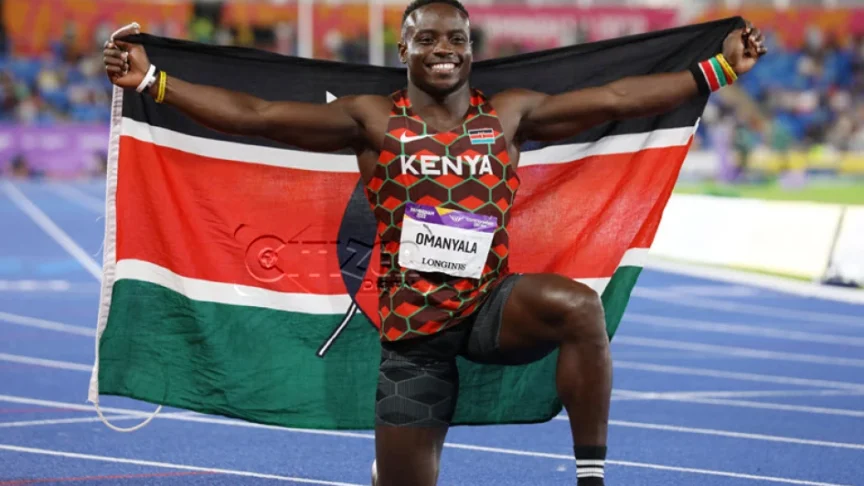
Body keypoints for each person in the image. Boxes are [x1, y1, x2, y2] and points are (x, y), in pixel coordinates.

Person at [102, 1, 766, 485]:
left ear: (471, 50)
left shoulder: (508, 114)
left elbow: (617, 95)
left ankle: (590, 475)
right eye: (427, 38)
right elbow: (260, 116)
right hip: (413, 335)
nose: (443, 47)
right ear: (404, 52)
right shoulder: (374, 119)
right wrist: (153, 82)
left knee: (578, 308)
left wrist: (716, 70)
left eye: (456, 37)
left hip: (489, 308)